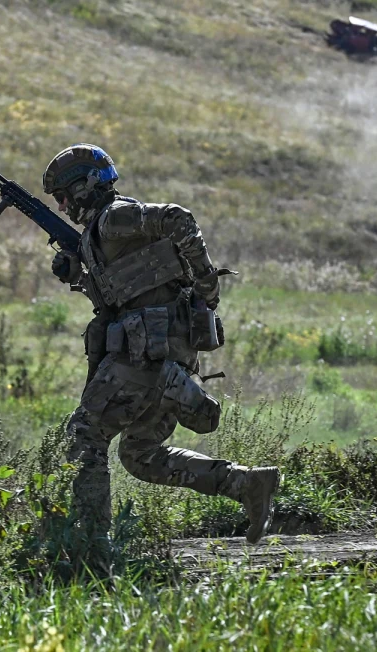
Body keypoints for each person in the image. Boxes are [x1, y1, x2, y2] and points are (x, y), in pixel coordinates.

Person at [42, 143, 280, 562]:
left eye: (63, 195)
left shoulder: (115, 217)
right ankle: (246, 484)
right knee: (140, 455)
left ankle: (92, 551)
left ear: (86, 186)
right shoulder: (104, 231)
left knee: (85, 435)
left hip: (144, 355)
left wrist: (208, 286)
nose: (61, 206)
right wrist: (79, 274)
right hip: (163, 354)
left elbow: (178, 218)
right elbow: (130, 288)